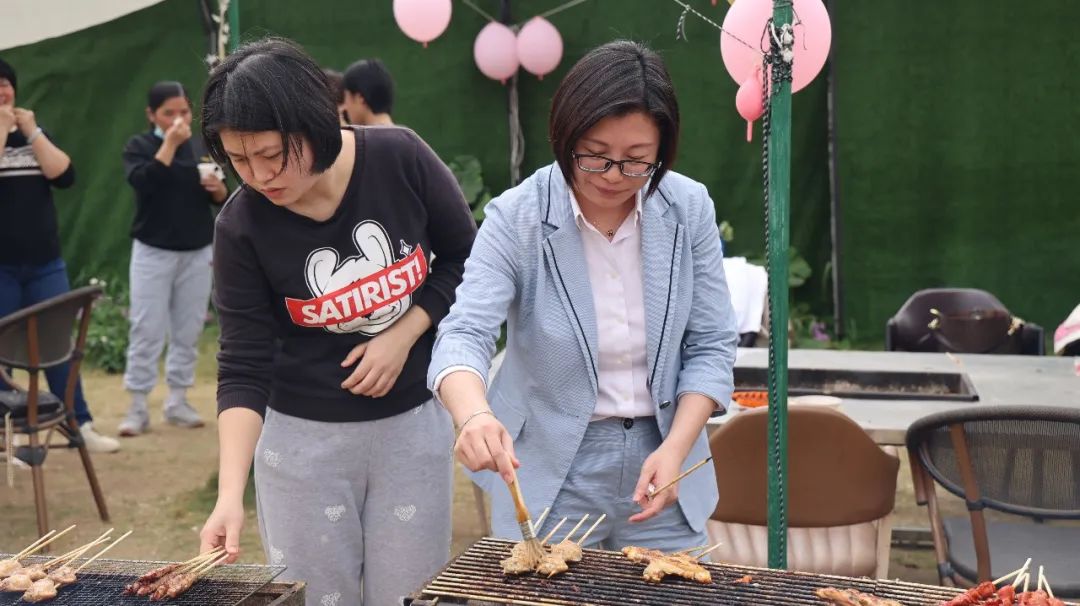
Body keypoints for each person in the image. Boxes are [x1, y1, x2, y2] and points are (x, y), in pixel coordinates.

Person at [196, 38, 476, 606]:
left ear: (313, 124)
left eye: (271, 154)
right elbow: (243, 362)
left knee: (410, 596)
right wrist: (230, 494)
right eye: (239, 160)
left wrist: (407, 329)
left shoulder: (400, 158)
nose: (257, 176)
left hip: (412, 430)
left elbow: (468, 260)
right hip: (301, 447)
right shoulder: (241, 226)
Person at [429, 40, 738, 553]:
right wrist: (474, 415)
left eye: (637, 160)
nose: (614, 177)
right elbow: (465, 331)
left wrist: (676, 449)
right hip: (549, 465)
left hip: (663, 456)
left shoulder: (688, 209)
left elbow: (710, 344)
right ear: (564, 135)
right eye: (595, 157)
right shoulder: (518, 217)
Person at [0, 57, 120, 453]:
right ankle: (14, 434)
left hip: (44, 264)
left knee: (56, 344)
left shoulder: (34, 135)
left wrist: (31, 131)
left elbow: (65, 175)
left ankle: (77, 423)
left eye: (6, 85)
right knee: (2, 352)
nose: (3, 91)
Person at [117, 81, 228, 437]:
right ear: (152, 115)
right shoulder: (141, 146)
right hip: (152, 251)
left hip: (197, 250)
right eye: (169, 113)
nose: (178, 119)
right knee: (146, 329)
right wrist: (169, 144)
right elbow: (144, 182)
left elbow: (222, 196)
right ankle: (137, 407)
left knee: (188, 328)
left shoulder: (201, 147)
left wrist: (218, 190)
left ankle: (178, 400)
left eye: (184, 112)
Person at [342, 58, 394, 126]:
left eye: (346, 97)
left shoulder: (352, 136)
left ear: (360, 98)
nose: (344, 107)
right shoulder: (409, 135)